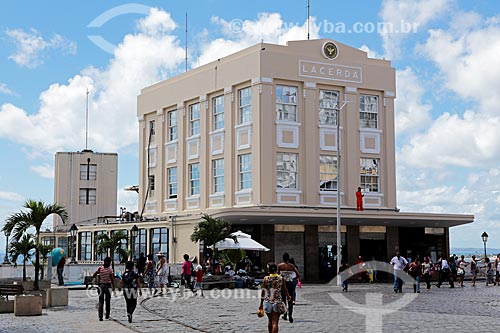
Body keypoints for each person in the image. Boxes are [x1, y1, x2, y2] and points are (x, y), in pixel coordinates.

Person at [259, 262, 291, 333]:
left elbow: (263, 292)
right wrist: (288, 297)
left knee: (270, 321)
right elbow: (285, 289)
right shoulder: (281, 278)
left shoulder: (266, 279)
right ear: (276, 270)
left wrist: (261, 304)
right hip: (277, 302)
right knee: (275, 322)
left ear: (269, 270)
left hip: (268, 302)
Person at [277, 253, 300, 323]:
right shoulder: (292, 266)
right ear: (288, 258)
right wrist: (292, 278)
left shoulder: (280, 266)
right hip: (290, 283)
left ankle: (285, 314)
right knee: (290, 299)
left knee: (283, 299)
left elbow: (277, 274)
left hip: (283, 284)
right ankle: (290, 315)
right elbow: (298, 274)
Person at [93, 257, 116, 321]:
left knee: (101, 301)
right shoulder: (110, 270)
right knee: (108, 301)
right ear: (107, 262)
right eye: (109, 262)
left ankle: (100, 316)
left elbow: (94, 275)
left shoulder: (100, 268)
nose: (109, 264)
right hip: (108, 286)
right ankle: (107, 315)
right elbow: (112, 279)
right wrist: (114, 287)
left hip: (100, 286)